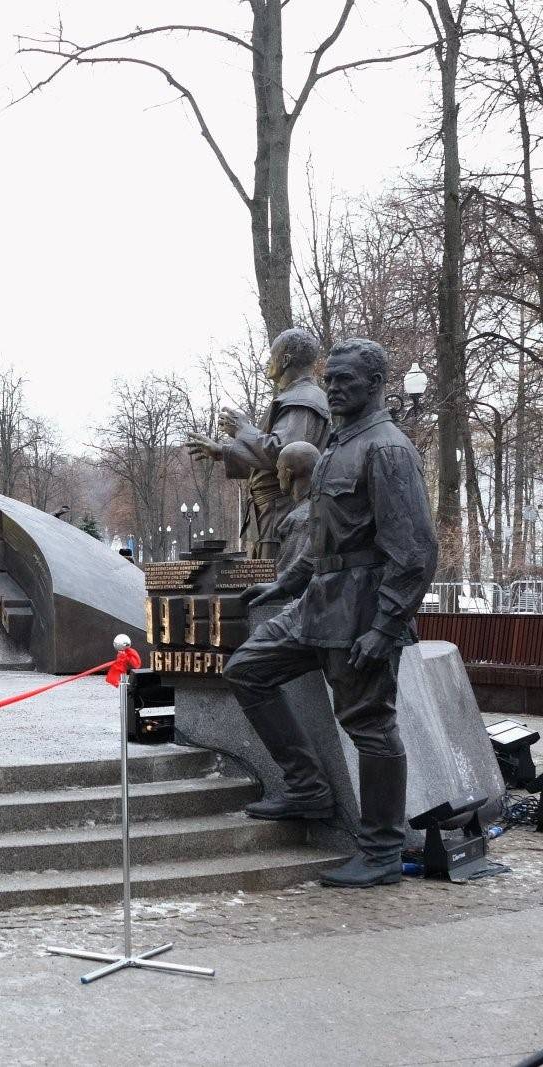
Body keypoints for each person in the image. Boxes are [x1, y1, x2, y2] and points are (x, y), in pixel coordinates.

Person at [223, 338, 437, 888]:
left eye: (347, 380)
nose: (335, 387)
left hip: (363, 612)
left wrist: (387, 626)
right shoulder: (338, 444)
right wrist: (277, 587)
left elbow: (414, 553)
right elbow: (321, 544)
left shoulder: (387, 448)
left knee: (369, 724)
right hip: (316, 603)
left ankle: (384, 850)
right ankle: (308, 788)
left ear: (375, 385)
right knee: (248, 669)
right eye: (331, 377)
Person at [185, 328, 331, 558]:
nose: (267, 360)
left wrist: (243, 429)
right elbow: (267, 460)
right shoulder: (292, 397)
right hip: (270, 515)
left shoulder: (304, 399)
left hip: (282, 512)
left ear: (285, 359)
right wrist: (222, 452)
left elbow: (288, 455)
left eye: (272, 354)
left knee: (275, 586)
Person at [271, 440, 320, 576]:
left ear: (288, 474)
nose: (277, 476)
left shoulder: (299, 519)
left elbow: (286, 575)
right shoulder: (320, 505)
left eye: (279, 469)